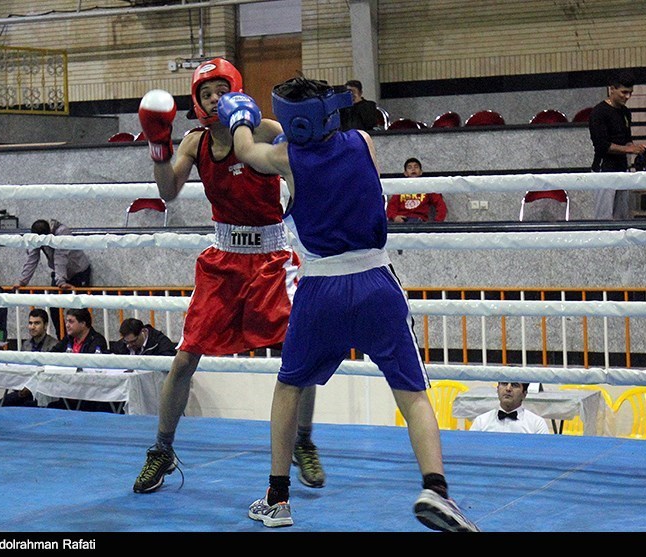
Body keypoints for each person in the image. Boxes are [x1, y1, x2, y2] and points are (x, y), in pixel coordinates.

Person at [221, 75, 479, 531]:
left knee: (289, 387)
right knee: (413, 394)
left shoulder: (287, 158)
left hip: (321, 289)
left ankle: (277, 499)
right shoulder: (362, 141)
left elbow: (245, 149)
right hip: (377, 282)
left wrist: (239, 116)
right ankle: (436, 489)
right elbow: (301, 134)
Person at [132, 58, 324, 495]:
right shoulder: (195, 142)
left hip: (273, 258)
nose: (215, 98)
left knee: (302, 352)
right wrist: (158, 148)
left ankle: (304, 440)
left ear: (236, 88)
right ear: (196, 102)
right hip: (224, 261)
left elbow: (303, 168)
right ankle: (161, 450)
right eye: (206, 93)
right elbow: (167, 191)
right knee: (184, 359)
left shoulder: (266, 131)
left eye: (222, 89)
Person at [13, 219, 92, 337]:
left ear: (49, 234)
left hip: (79, 271)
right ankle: (64, 340)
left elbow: (61, 256)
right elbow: (32, 257)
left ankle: (85, 341)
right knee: (54, 307)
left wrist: (60, 281)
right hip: (59, 273)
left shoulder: (62, 232)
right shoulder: (36, 236)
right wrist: (22, 281)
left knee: (80, 311)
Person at [588, 69, 646, 220]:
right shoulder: (598, 112)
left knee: (622, 217)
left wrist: (638, 150)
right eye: (624, 92)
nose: (627, 97)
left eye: (630, 93)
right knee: (604, 218)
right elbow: (602, 146)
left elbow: (627, 139)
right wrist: (629, 149)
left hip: (622, 168)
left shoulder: (626, 112)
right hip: (604, 169)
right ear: (612, 89)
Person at [1, 308, 58, 407]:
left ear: (45, 325)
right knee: (1, 402)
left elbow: (50, 375)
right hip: (23, 390)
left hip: (44, 391)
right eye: (30, 323)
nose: (32, 327)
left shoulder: (54, 345)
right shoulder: (26, 344)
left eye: (37, 323)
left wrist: (30, 388)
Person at [468, 382, 550, 434]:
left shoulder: (537, 424)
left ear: (524, 394)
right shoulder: (481, 422)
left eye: (514, 385)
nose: (508, 389)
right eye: (504, 383)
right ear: (497, 389)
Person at [386, 158, 447, 223]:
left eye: (416, 167)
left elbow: (441, 205)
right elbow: (391, 206)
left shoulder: (427, 188)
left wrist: (437, 222)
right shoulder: (400, 188)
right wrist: (394, 217)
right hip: (401, 220)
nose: (413, 169)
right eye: (409, 167)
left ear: (421, 172)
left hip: (418, 220)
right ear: (405, 173)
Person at [110, 318, 176, 356]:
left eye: (134, 341)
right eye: (126, 342)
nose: (129, 345)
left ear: (143, 331)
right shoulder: (121, 345)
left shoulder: (161, 343)